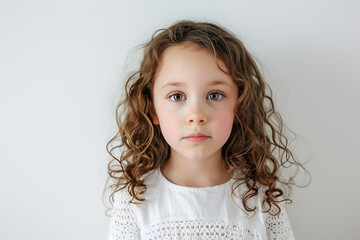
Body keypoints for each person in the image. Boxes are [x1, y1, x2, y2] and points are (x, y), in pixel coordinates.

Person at [105, 20, 308, 240]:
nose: (196, 115)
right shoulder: (134, 200)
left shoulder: (263, 201)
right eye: (177, 96)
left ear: (239, 106)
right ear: (152, 110)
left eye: (214, 95)